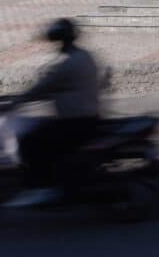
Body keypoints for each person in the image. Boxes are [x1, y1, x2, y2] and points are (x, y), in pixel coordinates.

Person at [6, 18, 100, 194]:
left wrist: (13, 102)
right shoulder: (84, 56)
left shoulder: (68, 64)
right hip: (86, 117)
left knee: (30, 141)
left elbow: (42, 88)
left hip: (76, 122)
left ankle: (42, 186)